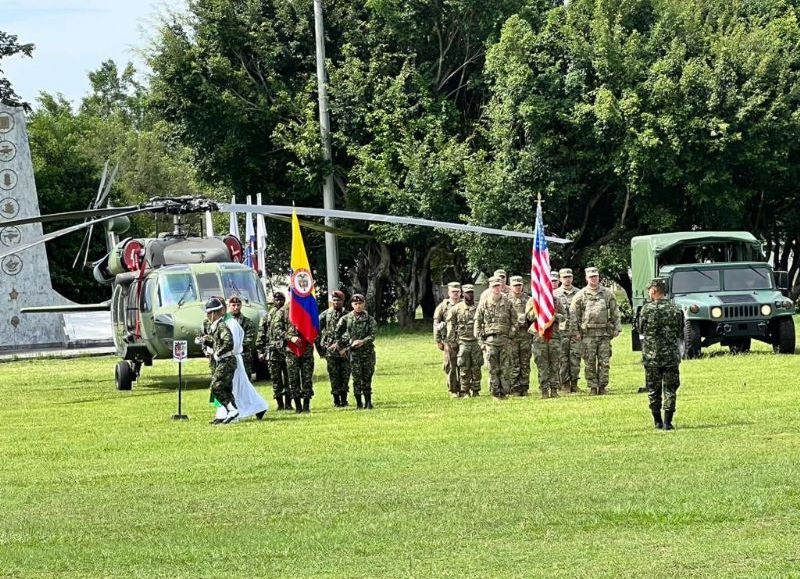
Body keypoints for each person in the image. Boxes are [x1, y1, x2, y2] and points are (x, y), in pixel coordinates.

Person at [637, 278, 684, 430]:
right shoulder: (675, 309)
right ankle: (668, 422)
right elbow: (679, 331)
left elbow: (640, 330)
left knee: (653, 389)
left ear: (653, 291)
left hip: (651, 357)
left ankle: (657, 421)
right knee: (670, 389)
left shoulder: (646, 309)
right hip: (670, 356)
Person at [570, 267, 621, 395]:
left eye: (596, 276)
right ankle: (593, 386)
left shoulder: (607, 293)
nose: (594, 278)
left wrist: (617, 327)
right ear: (586, 278)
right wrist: (575, 332)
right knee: (589, 361)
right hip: (588, 334)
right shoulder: (580, 295)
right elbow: (574, 315)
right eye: (591, 277)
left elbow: (615, 311)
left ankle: (603, 386)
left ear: (599, 277)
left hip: (604, 333)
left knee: (604, 361)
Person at [474, 276, 516, 399]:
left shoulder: (508, 302)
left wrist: (511, 335)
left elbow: (515, 321)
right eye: (494, 286)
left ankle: (504, 392)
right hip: (490, 341)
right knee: (493, 369)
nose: (497, 288)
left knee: (505, 368)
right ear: (490, 287)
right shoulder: (484, 303)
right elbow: (478, 323)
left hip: (504, 340)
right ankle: (495, 393)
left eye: (499, 285)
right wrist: (481, 342)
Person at [224, 307, 268, 421]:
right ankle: (260, 406)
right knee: (242, 386)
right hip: (229, 358)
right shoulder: (225, 322)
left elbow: (235, 343)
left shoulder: (230, 323)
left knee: (237, 386)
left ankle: (235, 412)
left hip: (232, 358)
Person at [337, 294, 377, 409]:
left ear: (364, 304)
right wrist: (342, 347)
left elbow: (373, 335)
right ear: (352, 305)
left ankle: (368, 402)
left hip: (367, 353)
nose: (358, 306)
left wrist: (363, 341)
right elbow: (337, 332)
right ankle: (359, 403)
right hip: (354, 354)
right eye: (355, 304)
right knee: (356, 377)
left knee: (367, 377)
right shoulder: (346, 318)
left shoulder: (370, 319)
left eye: (360, 303)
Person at [202, 297, 239, 424]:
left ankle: (232, 410)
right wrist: (204, 342)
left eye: (209, 313)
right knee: (226, 388)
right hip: (222, 360)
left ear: (214, 313)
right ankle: (230, 414)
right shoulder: (214, 326)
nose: (207, 316)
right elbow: (215, 342)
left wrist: (218, 352)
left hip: (226, 360)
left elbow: (229, 342)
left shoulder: (222, 325)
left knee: (216, 386)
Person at [528, 284, 567, 399]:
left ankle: (554, 389)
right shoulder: (533, 300)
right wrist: (540, 313)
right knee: (542, 365)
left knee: (555, 364)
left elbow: (564, 316)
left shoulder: (555, 301)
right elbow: (529, 317)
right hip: (539, 338)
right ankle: (544, 389)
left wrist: (553, 315)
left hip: (554, 337)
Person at [256, 292, 291, 410]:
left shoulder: (289, 314)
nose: (279, 302)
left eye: (281, 299)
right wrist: (260, 350)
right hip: (273, 351)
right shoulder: (267, 316)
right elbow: (261, 333)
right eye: (276, 299)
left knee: (289, 378)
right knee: (276, 379)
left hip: (286, 350)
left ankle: (288, 403)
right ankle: (280, 404)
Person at [445, 284, 482, 397]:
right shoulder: (456, 308)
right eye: (467, 292)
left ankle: (476, 390)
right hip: (463, 342)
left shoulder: (479, 307)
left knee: (476, 367)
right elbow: (451, 326)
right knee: (464, 367)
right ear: (463, 294)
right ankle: (465, 391)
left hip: (476, 342)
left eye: (471, 292)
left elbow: (483, 323)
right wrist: (452, 342)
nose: (469, 294)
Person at [317, 290, 351, 407]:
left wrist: (342, 345)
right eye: (334, 300)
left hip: (345, 351)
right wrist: (320, 349)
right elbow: (316, 330)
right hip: (330, 351)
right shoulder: (325, 315)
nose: (336, 302)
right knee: (334, 375)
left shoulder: (348, 315)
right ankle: (336, 400)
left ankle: (344, 399)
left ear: (343, 301)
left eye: (339, 300)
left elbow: (351, 332)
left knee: (345, 374)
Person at [285, 297, 315, 413]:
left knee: (307, 378)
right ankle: (298, 406)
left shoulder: (308, 307)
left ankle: (306, 405)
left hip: (306, 349)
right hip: (292, 351)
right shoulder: (283, 311)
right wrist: (290, 337)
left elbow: (314, 326)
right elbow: (277, 330)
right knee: (293, 378)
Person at [553, 268, 582, 393]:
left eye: (569, 277)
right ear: (560, 279)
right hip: (561, 331)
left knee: (575, 357)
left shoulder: (579, 293)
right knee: (562, 358)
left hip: (575, 330)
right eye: (564, 277)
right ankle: (564, 384)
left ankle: (574, 383)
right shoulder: (554, 294)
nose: (567, 279)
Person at [432, 282, 462, 397]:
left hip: (463, 339)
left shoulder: (464, 304)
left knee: (463, 365)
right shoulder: (442, 307)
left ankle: (463, 389)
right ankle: (453, 389)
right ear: (449, 293)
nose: (455, 294)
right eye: (453, 292)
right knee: (450, 366)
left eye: (457, 292)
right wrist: (438, 341)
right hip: (448, 341)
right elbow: (436, 325)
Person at [507, 276, 532, 396]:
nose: (517, 287)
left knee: (525, 362)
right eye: (515, 285)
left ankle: (524, 386)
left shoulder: (529, 299)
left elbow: (533, 316)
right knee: (513, 362)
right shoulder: (506, 299)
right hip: (512, 336)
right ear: (510, 286)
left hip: (525, 334)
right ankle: (515, 387)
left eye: (519, 285)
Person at [227, 295, 256, 379]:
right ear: (229, 306)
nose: (236, 307)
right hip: (228, 356)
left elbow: (249, 338)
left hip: (243, 355)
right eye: (233, 305)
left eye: (238, 305)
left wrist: (237, 347)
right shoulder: (224, 321)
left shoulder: (247, 322)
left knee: (245, 379)